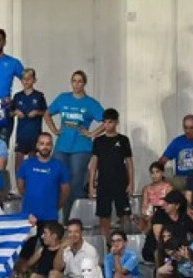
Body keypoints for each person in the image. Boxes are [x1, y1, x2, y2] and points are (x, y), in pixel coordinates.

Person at [46, 71, 104, 219]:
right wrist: (54, 130)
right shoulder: (63, 98)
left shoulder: (90, 103)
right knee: (60, 180)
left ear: (84, 83)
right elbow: (47, 113)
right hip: (62, 146)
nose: (76, 84)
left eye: (80, 81)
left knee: (76, 182)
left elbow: (107, 120)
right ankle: (61, 217)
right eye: (74, 81)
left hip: (81, 147)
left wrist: (92, 133)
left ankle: (74, 219)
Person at [89, 108, 135, 238]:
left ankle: (123, 242)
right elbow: (93, 165)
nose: (107, 125)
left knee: (124, 215)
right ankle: (106, 243)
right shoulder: (98, 141)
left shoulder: (123, 139)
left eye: (110, 122)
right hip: (103, 183)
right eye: (105, 122)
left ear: (116, 123)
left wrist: (131, 183)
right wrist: (92, 185)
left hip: (121, 182)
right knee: (104, 216)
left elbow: (130, 164)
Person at [17, 133, 70, 226]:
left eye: (48, 144)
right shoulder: (26, 164)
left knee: (49, 241)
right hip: (29, 216)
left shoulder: (60, 166)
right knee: (29, 241)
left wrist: (54, 207)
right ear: (37, 145)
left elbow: (65, 192)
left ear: (52, 146)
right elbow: (21, 187)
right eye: (42, 144)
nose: (45, 147)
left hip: (50, 217)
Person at [10, 67, 47, 175]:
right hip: (21, 134)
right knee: (18, 160)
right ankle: (18, 187)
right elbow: (10, 113)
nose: (26, 81)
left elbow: (45, 112)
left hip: (34, 133)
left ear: (34, 80)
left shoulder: (39, 96)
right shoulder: (17, 96)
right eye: (24, 79)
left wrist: (37, 112)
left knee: (33, 160)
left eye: (29, 79)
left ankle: (30, 184)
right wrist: (16, 112)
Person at [160, 114, 193, 183]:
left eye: (191, 128)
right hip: (182, 179)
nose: (188, 131)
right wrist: (160, 175)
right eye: (186, 128)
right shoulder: (177, 141)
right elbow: (163, 160)